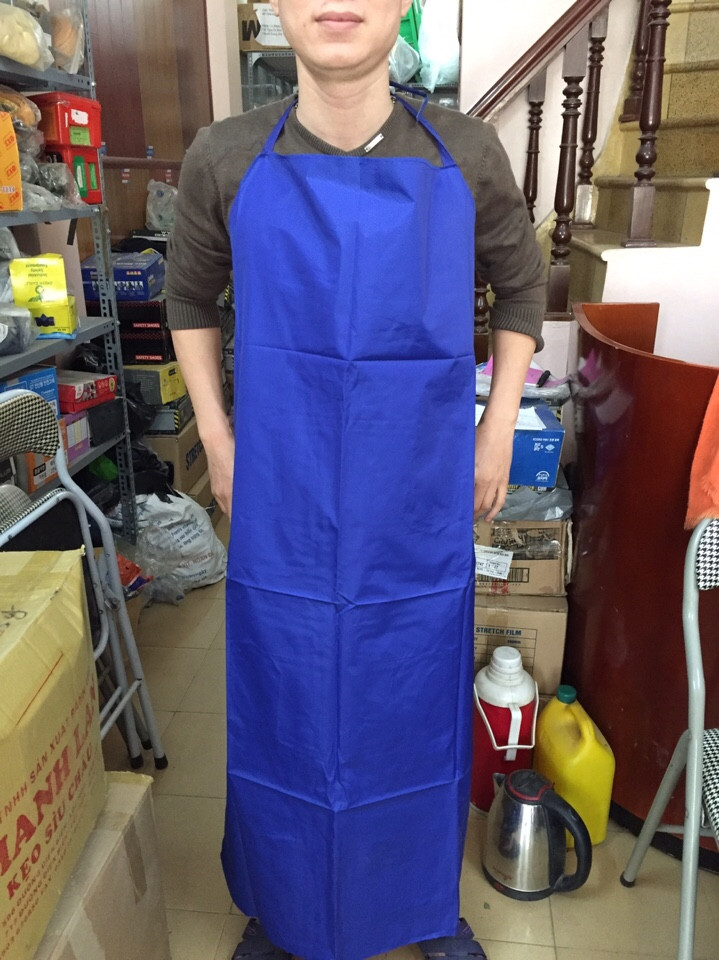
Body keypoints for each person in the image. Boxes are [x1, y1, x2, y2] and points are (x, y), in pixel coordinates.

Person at [167, 2, 545, 959]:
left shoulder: (464, 152)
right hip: (284, 485)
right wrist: (216, 436)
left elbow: (521, 285)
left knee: (409, 688)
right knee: (284, 683)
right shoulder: (225, 154)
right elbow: (188, 296)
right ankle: (281, 904)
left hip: (414, 483)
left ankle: (422, 904)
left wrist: (496, 429)